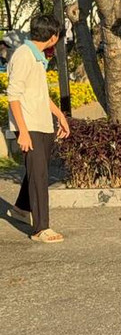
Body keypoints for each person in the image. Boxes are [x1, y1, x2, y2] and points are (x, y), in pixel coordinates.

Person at [6, 13, 70, 243]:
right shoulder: (24, 55)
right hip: (29, 124)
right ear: (53, 37)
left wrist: (60, 115)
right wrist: (22, 131)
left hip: (42, 123)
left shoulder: (38, 56)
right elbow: (13, 96)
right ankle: (41, 228)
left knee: (37, 170)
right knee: (40, 175)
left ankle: (21, 209)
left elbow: (40, 94)